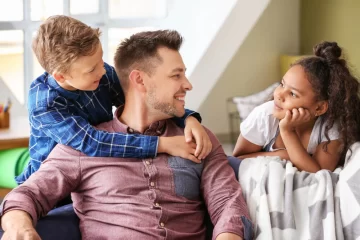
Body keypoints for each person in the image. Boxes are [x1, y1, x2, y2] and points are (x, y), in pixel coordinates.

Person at [0, 30, 253, 240]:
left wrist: (189, 117)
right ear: (139, 80)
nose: (188, 84)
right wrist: (19, 227)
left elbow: (227, 201)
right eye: (177, 75)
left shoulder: (199, 138)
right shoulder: (81, 146)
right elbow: (28, 194)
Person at [16, 15, 212, 185]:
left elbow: (142, 101)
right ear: (61, 77)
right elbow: (92, 142)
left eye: (101, 60)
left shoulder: (101, 73)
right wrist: (163, 144)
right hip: (54, 183)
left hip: (94, 170)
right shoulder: (45, 104)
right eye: (92, 69)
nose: (103, 70)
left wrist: (188, 118)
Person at [233, 41, 360, 173]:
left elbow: (319, 174)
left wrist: (288, 132)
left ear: (319, 108)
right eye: (282, 84)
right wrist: (283, 156)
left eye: (293, 94)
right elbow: (236, 160)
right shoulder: (264, 116)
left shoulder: (329, 128)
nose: (279, 95)